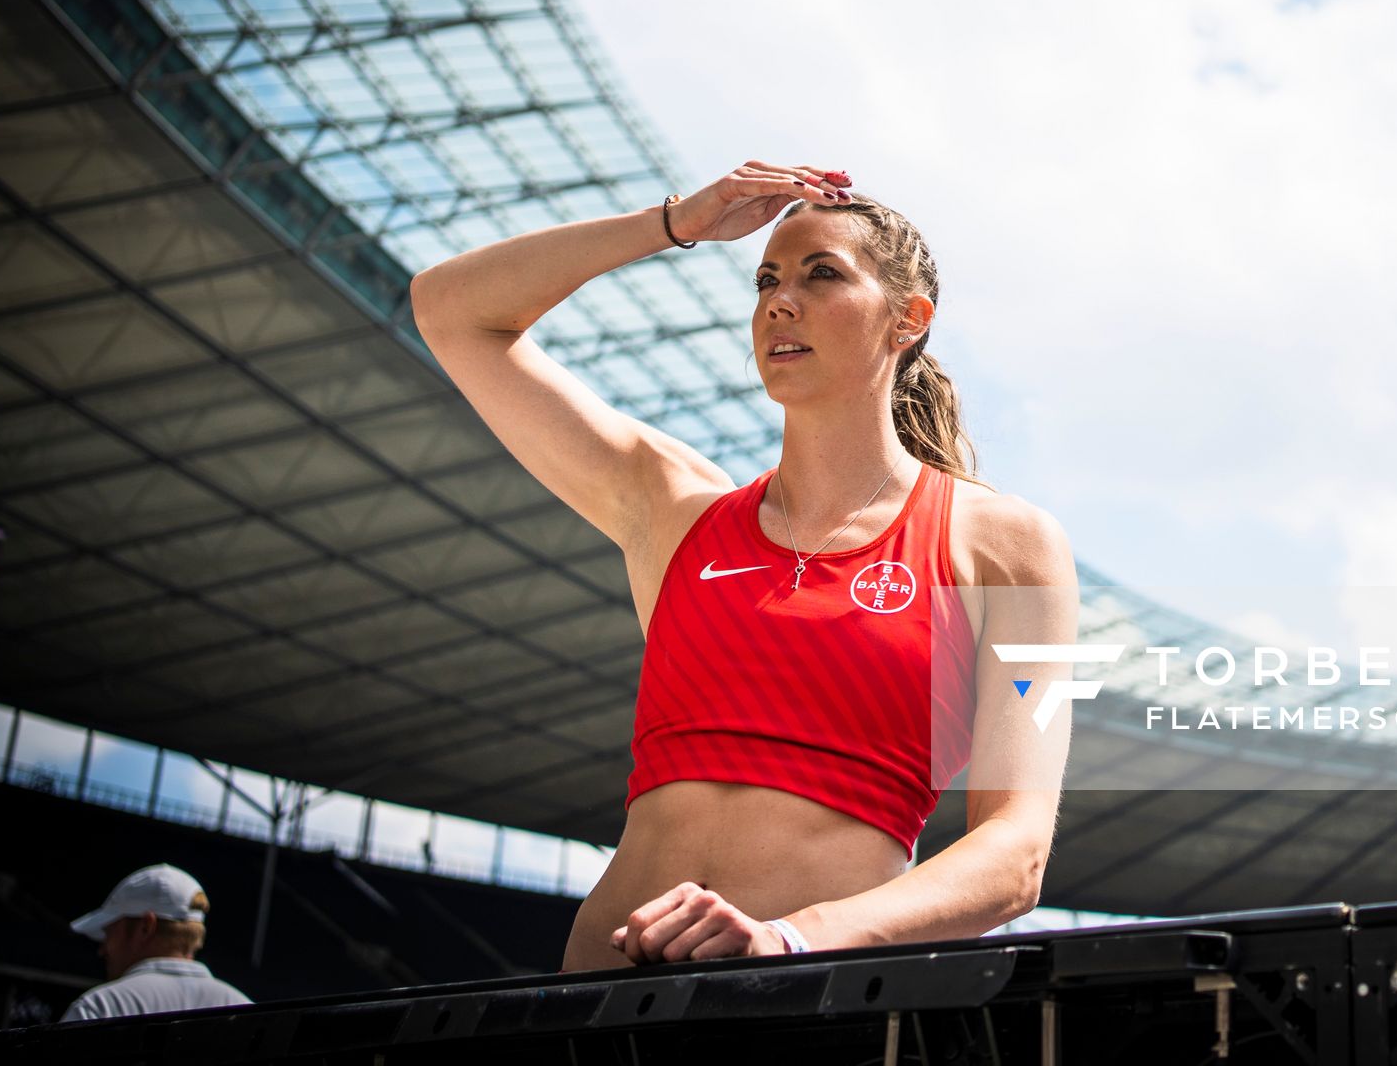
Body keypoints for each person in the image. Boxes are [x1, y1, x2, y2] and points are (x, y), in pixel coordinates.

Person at [411, 161, 1078, 968]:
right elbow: (450, 311)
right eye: (766, 280)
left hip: (809, 1006)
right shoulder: (673, 509)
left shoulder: (1009, 548)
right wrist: (676, 224)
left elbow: (1017, 855)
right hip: (591, 1006)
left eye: (820, 274)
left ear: (909, 319)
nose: (778, 302)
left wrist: (790, 940)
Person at [61, 864, 252, 1021]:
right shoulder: (249, 1013)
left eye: (109, 933)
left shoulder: (98, 1008)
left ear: (146, 926)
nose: (102, 950)